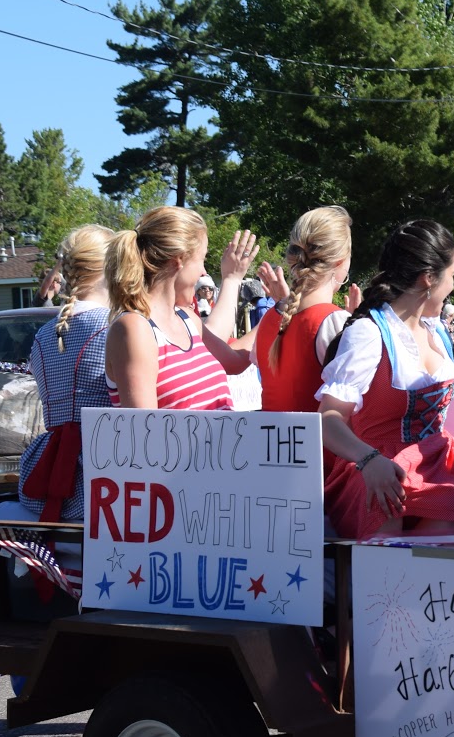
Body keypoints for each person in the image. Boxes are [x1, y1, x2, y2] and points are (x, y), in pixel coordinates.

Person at [318, 220, 454, 539]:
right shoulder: (369, 333)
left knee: (448, 530)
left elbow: (438, 394)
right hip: (378, 467)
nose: (453, 287)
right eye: (453, 275)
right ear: (429, 278)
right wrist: (368, 460)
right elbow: (328, 419)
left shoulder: (436, 330)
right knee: (388, 525)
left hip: (438, 466)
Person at [104, 207, 253, 411]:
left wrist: (279, 312)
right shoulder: (134, 328)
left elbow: (235, 362)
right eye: (202, 259)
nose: (203, 271)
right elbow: (144, 432)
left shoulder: (187, 319)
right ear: (178, 261)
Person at [18, 225, 115, 521]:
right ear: (114, 269)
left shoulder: (43, 335)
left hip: (48, 467)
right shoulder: (117, 327)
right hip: (103, 469)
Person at [253, 205, 356, 414]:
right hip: (323, 446)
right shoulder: (336, 322)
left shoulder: (270, 317)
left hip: (273, 444)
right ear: (340, 262)